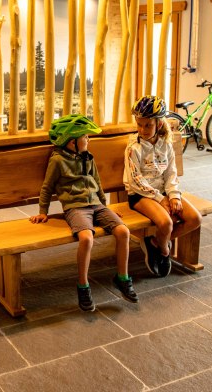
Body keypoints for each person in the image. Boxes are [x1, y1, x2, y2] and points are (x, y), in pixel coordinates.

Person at [30, 114, 137, 312]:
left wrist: (106, 206)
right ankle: (83, 286)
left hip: (97, 205)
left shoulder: (89, 157)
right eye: (85, 137)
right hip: (75, 208)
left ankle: (122, 278)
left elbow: (97, 183)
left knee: (123, 232)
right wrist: (43, 211)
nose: (88, 140)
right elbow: (47, 187)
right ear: (72, 142)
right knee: (86, 238)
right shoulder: (57, 161)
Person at [124, 96, 202, 277]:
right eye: (139, 124)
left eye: (147, 125)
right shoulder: (133, 148)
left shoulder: (166, 144)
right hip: (140, 195)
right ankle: (165, 251)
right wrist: (161, 199)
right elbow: (136, 181)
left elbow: (170, 173)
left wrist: (173, 196)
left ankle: (154, 243)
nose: (142, 129)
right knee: (166, 222)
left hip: (164, 193)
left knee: (194, 219)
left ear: (159, 124)